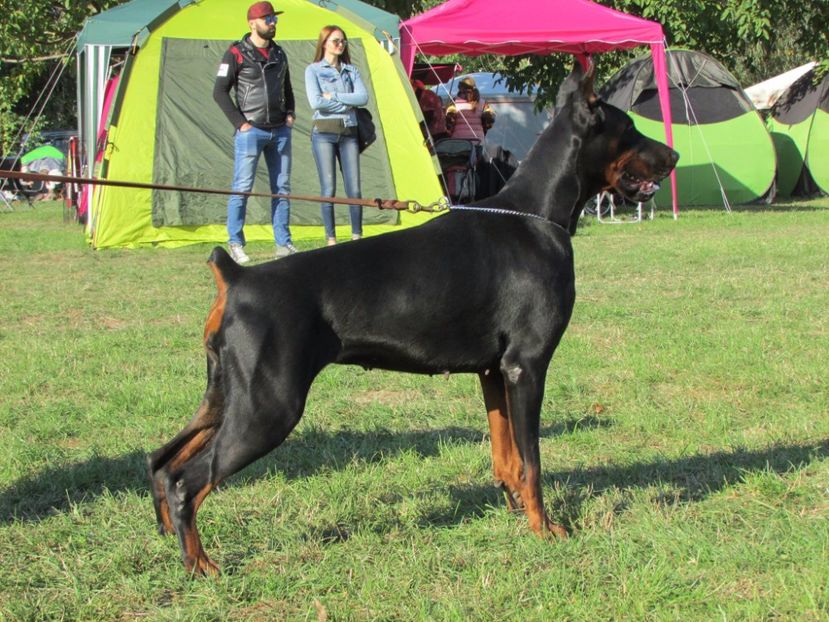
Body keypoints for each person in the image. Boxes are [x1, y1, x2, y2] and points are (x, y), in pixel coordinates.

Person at [213, 1, 297, 264]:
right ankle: (236, 242)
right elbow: (219, 92)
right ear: (252, 23)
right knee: (242, 188)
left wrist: (291, 113)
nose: (273, 23)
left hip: (280, 130)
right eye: (268, 18)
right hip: (251, 131)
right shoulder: (236, 53)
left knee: (281, 189)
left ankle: (283, 243)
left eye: (274, 18)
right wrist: (240, 123)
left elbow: (288, 88)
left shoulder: (279, 53)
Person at [305, 25, 368, 246]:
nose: (340, 45)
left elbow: (362, 98)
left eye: (343, 41)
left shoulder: (351, 71)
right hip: (323, 133)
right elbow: (316, 102)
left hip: (349, 131)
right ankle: (330, 239)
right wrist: (346, 103)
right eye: (335, 41)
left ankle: (357, 236)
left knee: (354, 188)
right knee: (328, 188)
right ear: (324, 43)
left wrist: (335, 97)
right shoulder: (313, 70)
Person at [445, 76, 495, 142]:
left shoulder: (455, 102)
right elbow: (490, 121)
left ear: (461, 88)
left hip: (458, 140)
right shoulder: (483, 103)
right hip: (477, 140)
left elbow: (449, 120)